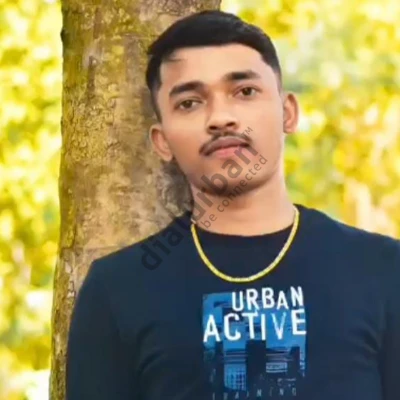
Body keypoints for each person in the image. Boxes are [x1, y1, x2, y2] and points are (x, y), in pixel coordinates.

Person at [65, 10, 400, 400]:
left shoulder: (384, 271)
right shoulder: (116, 290)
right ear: (162, 141)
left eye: (244, 92)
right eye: (190, 102)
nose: (220, 118)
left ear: (288, 113)